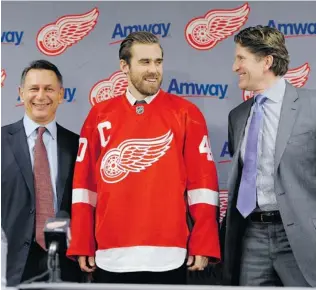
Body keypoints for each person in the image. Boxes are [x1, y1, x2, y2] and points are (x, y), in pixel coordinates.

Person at [67, 31, 221, 285]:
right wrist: (82, 240)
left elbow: (203, 185)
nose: (154, 70)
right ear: (124, 67)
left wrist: (204, 240)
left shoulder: (187, 113)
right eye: (144, 62)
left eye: (158, 62)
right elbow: (85, 185)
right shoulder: (99, 115)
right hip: (111, 253)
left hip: (168, 254)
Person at [221, 25, 316, 287]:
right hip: (252, 235)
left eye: (241, 58)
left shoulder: (312, 106)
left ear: (267, 61)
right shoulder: (237, 116)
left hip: (302, 237)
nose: (234, 67)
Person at [1, 60, 82, 286]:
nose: (41, 96)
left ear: (60, 94)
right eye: (34, 89)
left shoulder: (77, 145)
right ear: (20, 93)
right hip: (11, 262)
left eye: (48, 89)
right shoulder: (1, 141)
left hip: (65, 261)